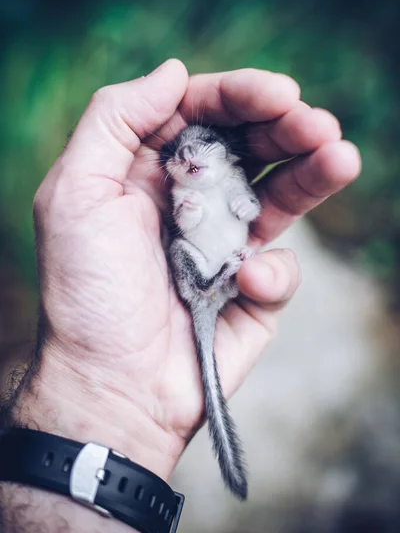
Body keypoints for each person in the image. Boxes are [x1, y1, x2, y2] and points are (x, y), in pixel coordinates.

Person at [0, 60, 361, 532]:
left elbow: (248, 207)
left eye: (200, 147)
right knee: (181, 247)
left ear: (225, 153)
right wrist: (91, 394)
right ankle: (213, 284)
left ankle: (226, 280)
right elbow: (188, 228)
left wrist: (240, 205)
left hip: (231, 272)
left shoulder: (234, 183)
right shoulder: (181, 201)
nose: (189, 157)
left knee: (252, 267)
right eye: (178, 156)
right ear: (171, 172)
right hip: (199, 279)